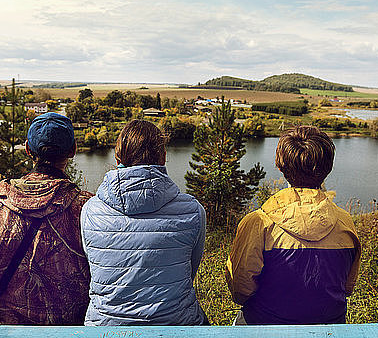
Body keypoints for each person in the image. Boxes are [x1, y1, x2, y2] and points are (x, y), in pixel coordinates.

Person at [225, 125, 361, 325]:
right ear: (328, 168)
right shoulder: (345, 222)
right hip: (330, 326)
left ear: (279, 166)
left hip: (265, 324)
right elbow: (347, 287)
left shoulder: (258, 222)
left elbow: (241, 290)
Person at [0, 112, 92, 325]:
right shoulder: (86, 206)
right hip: (67, 327)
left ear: (27, 149)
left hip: (4, 325)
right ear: (73, 150)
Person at [81, 119, 207, 325]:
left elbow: (95, 268)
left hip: (106, 328)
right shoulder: (193, 211)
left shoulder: (91, 211)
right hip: (176, 324)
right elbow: (189, 271)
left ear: (118, 156)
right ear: (164, 157)